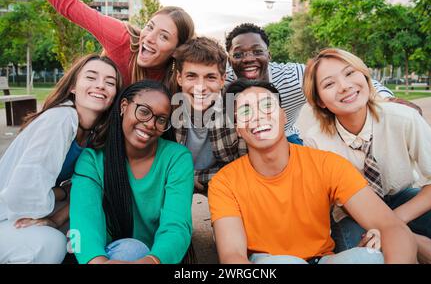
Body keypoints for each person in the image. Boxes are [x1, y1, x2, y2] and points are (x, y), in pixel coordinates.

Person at [208, 79, 417, 264]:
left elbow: (392, 227)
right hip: (267, 262)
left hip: (323, 259)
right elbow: (232, 256)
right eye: (245, 111)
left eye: (267, 107)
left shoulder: (326, 164)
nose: (258, 117)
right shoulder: (224, 183)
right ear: (237, 127)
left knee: (368, 258)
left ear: (283, 116)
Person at [301, 48, 431, 264]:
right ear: (320, 101)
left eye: (350, 73)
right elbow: (337, 204)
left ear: (364, 75)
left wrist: (394, 224)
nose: (344, 86)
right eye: (329, 84)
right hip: (353, 213)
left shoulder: (403, 117)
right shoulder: (316, 141)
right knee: (368, 255)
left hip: (402, 197)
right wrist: (413, 242)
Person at [0, 54, 122, 264]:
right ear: (73, 87)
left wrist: (56, 218)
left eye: (110, 82)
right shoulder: (62, 118)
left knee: (86, 231)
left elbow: (88, 190)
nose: (100, 85)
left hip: (32, 208)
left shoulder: (96, 134)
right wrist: (62, 193)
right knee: (52, 244)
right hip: (7, 214)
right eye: (91, 77)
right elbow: (23, 193)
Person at [69, 80, 194, 264]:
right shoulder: (93, 159)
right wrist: (99, 262)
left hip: (156, 258)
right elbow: (84, 222)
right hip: (105, 255)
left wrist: (150, 261)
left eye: (160, 120)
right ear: (124, 106)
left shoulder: (177, 158)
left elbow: (177, 226)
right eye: (144, 111)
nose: (150, 124)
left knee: (133, 250)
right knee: (130, 249)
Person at [15, 0, 195, 86]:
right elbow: (69, 4)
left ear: (177, 50)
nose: (149, 38)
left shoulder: (180, 76)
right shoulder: (123, 38)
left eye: (163, 36)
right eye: (150, 27)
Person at [225, 23, 394, 145]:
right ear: (229, 59)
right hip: (236, 140)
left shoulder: (293, 76)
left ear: (269, 55)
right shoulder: (221, 80)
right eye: (239, 54)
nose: (248, 59)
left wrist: (387, 100)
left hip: (284, 137)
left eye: (257, 51)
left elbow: (347, 78)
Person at [169, 36, 247, 193]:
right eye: (191, 76)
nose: (200, 87)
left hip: (221, 183)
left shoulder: (237, 110)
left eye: (210, 77)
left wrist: (196, 178)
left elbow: (243, 167)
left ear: (222, 80)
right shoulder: (167, 108)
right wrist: (184, 177)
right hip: (175, 180)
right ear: (179, 78)